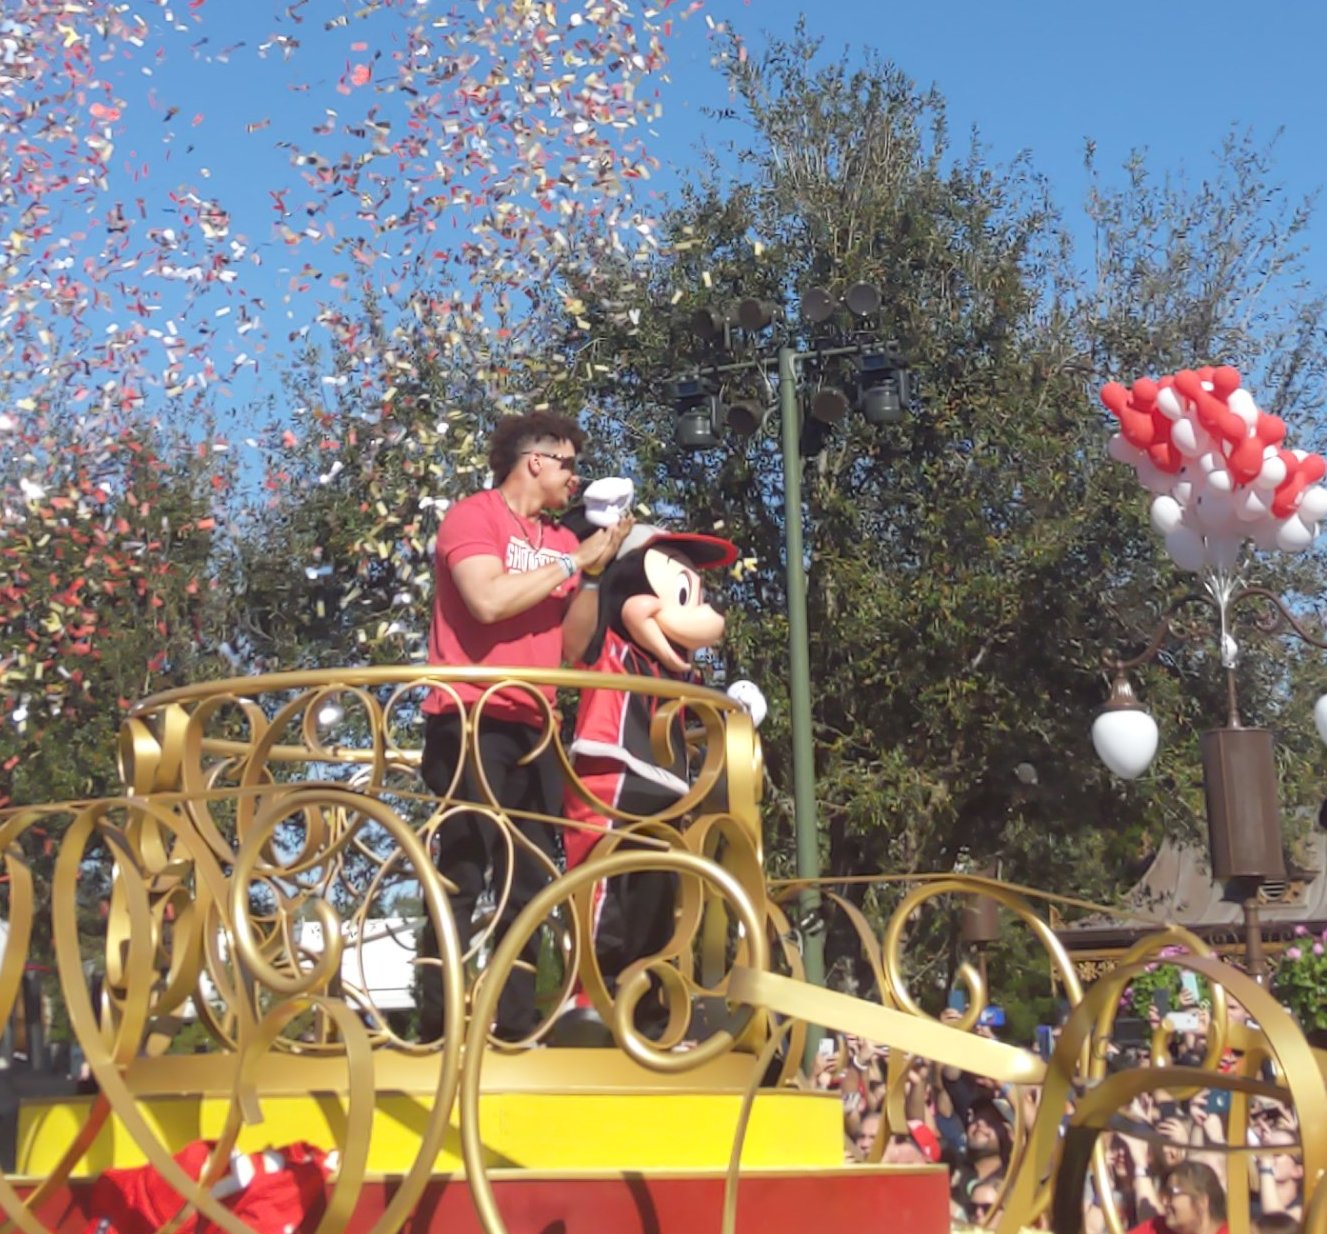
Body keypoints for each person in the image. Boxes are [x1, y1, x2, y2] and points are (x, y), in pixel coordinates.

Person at [417, 410, 630, 1042]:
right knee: (465, 868)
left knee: (531, 879)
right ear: (534, 460)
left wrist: (591, 572)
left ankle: (510, 1028)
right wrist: (570, 566)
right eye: (568, 464)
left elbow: (573, 646)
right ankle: (436, 1024)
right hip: (469, 716)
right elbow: (485, 601)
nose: (576, 479)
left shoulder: (565, 544)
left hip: (537, 724)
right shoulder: (472, 516)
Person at [1126, 1160, 1228, 1234]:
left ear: (1202, 1201)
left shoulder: (1237, 1230)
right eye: (1164, 1194)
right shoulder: (1158, 1227)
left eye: (1171, 1193)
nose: (1164, 1202)